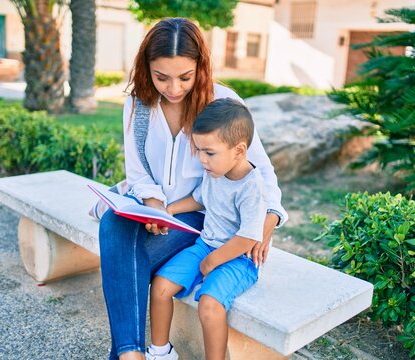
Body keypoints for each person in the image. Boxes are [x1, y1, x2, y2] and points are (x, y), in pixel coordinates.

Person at [98, 17, 288, 360]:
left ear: (200, 67)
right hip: (158, 214)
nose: (173, 88)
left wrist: (268, 220)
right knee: (113, 226)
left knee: (127, 262)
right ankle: (134, 354)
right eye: (161, 77)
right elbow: (138, 173)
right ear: (147, 68)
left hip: (202, 222)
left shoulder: (223, 104)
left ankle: (127, 355)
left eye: (184, 77)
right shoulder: (137, 105)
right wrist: (155, 204)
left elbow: (261, 171)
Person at [147, 98, 266, 360]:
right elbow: (199, 198)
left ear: (239, 150)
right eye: (199, 150)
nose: (202, 159)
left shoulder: (251, 187)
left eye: (209, 152)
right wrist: (169, 210)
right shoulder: (213, 172)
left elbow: (249, 237)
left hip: (238, 260)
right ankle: (160, 352)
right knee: (160, 287)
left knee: (210, 306)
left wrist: (213, 261)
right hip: (205, 245)